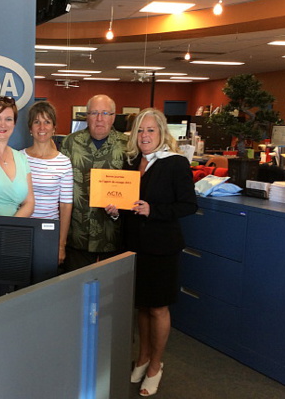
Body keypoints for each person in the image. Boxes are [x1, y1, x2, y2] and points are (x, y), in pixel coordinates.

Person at [106, 108, 197, 396]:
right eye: (140, 131)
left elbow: (188, 205)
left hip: (162, 247)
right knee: (142, 305)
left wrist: (153, 210)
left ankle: (156, 364)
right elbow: (127, 204)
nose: (145, 136)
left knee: (158, 307)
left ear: (161, 133)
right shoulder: (132, 162)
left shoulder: (176, 163)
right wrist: (115, 210)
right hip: (134, 245)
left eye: (150, 130)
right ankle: (142, 357)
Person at [60, 94, 128, 272]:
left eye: (105, 113)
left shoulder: (127, 145)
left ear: (113, 116)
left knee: (109, 290)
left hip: (112, 234)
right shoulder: (70, 142)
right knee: (75, 289)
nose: (99, 118)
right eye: (94, 113)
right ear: (86, 116)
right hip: (76, 233)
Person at [21, 101, 73, 265]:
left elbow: (65, 205)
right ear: (30, 128)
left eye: (47, 122)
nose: (42, 127)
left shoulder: (64, 163)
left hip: (48, 232)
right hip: (21, 229)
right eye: (37, 122)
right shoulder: (18, 158)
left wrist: (61, 245)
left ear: (54, 128)